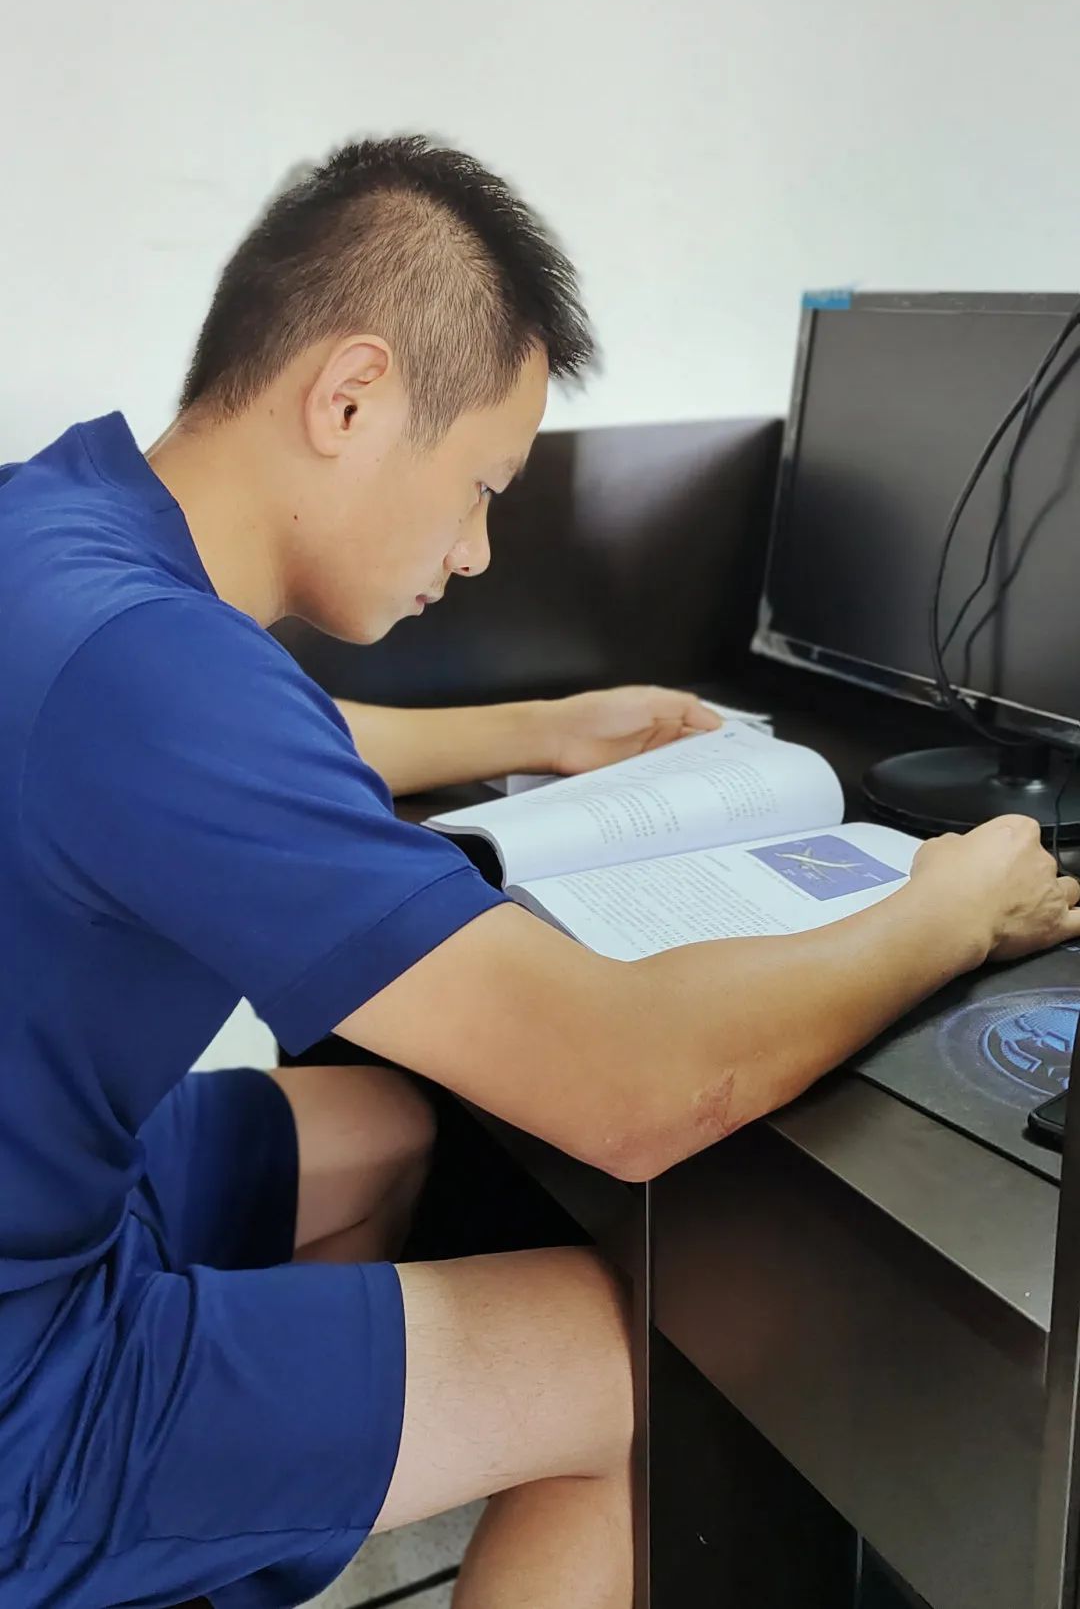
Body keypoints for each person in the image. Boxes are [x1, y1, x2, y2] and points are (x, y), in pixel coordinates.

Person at [0, 135, 1076, 1609]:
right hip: (23, 1370)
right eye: (481, 486)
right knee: (629, 1371)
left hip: (61, 1192)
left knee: (386, 1125)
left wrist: (542, 728)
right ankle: (145, 1506)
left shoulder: (65, 533)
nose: (479, 550)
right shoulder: (163, 672)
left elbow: (244, 748)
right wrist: (944, 911)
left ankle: (231, 1517)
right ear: (351, 397)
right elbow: (629, 1088)